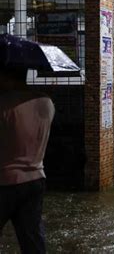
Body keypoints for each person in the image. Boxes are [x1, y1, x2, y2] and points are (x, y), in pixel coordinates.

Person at [0, 67, 55, 253]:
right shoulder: (46, 102)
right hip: (36, 179)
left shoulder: (5, 104)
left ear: (8, 77)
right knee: (32, 238)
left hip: (5, 181)